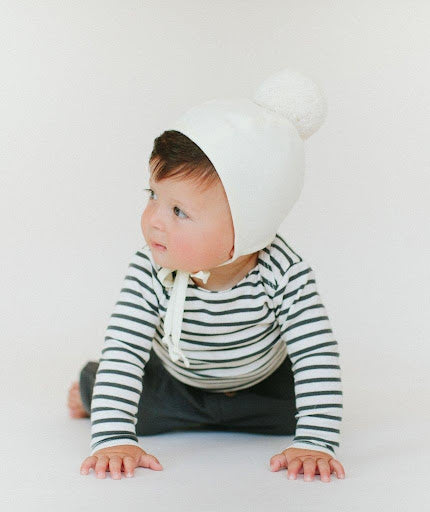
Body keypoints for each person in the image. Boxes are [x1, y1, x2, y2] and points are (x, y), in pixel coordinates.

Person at [68, 68, 346, 482]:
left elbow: (315, 355)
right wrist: (113, 438)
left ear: (249, 226)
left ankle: (262, 419)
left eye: (179, 211)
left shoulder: (285, 273)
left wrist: (315, 443)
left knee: (306, 404)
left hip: (261, 384)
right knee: (123, 390)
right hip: (179, 382)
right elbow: (125, 348)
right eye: (153, 196)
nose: (154, 222)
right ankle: (93, 386)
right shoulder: (150, 268)